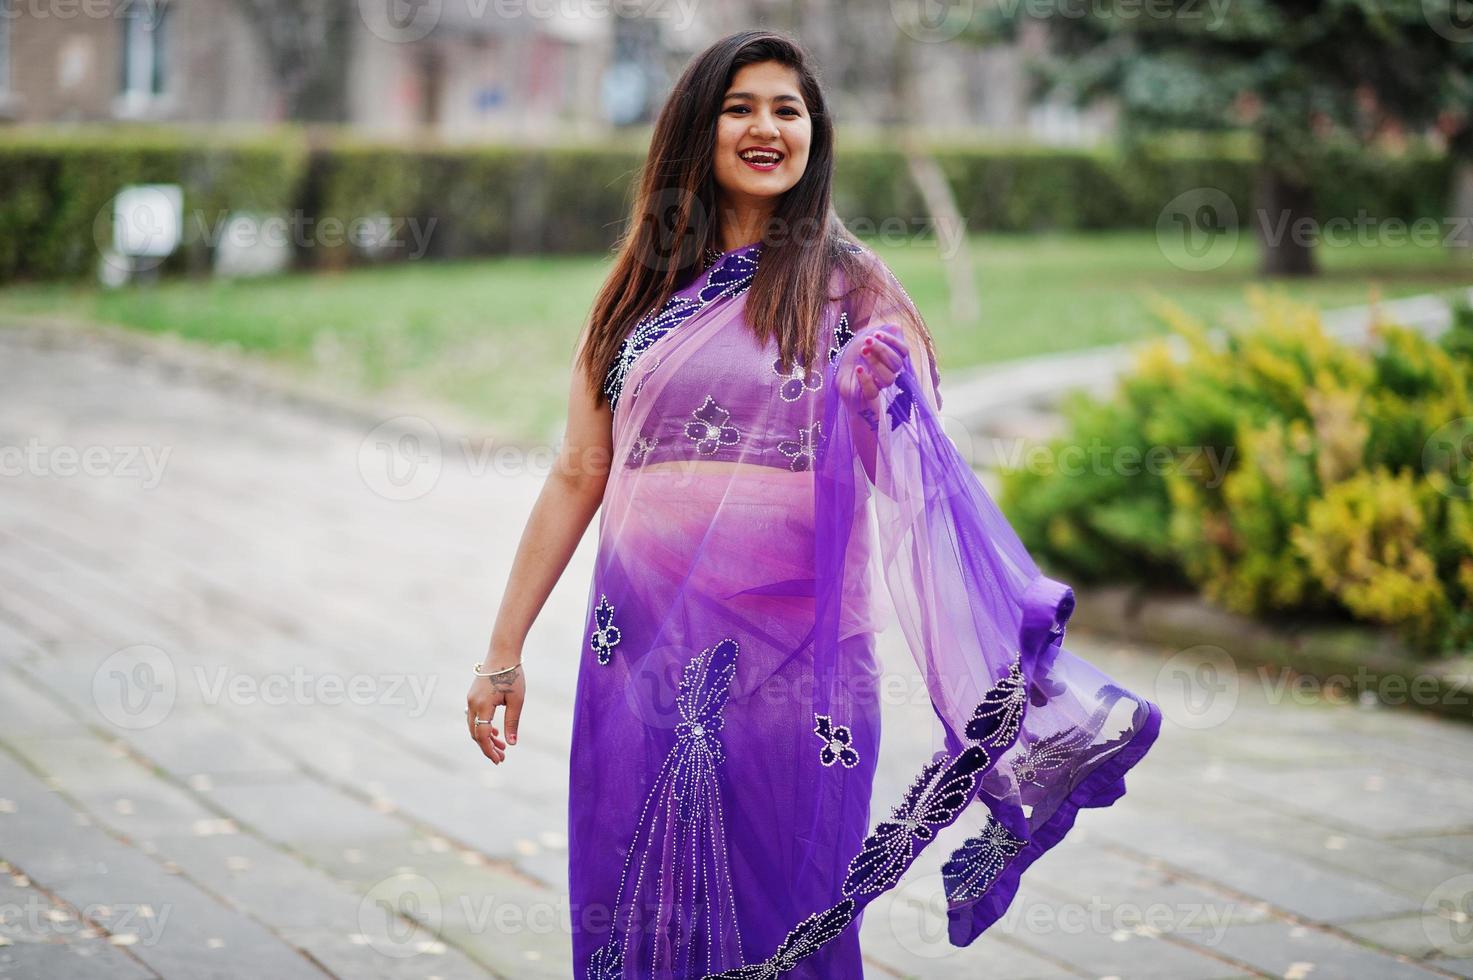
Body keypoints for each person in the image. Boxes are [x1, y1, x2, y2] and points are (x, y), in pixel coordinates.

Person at [466, 29, 1161, 980]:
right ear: (693, 132)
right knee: (634, 904)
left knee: (787, 919)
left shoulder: (852, 291)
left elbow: (909, 473)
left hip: (796, 678)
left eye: (786, 109)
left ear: (814, 134)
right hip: (637, 658)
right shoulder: (635, 293)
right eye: (739, 107)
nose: (765, 127)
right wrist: (501, 653)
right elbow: (579, 472)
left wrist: (873, 404)